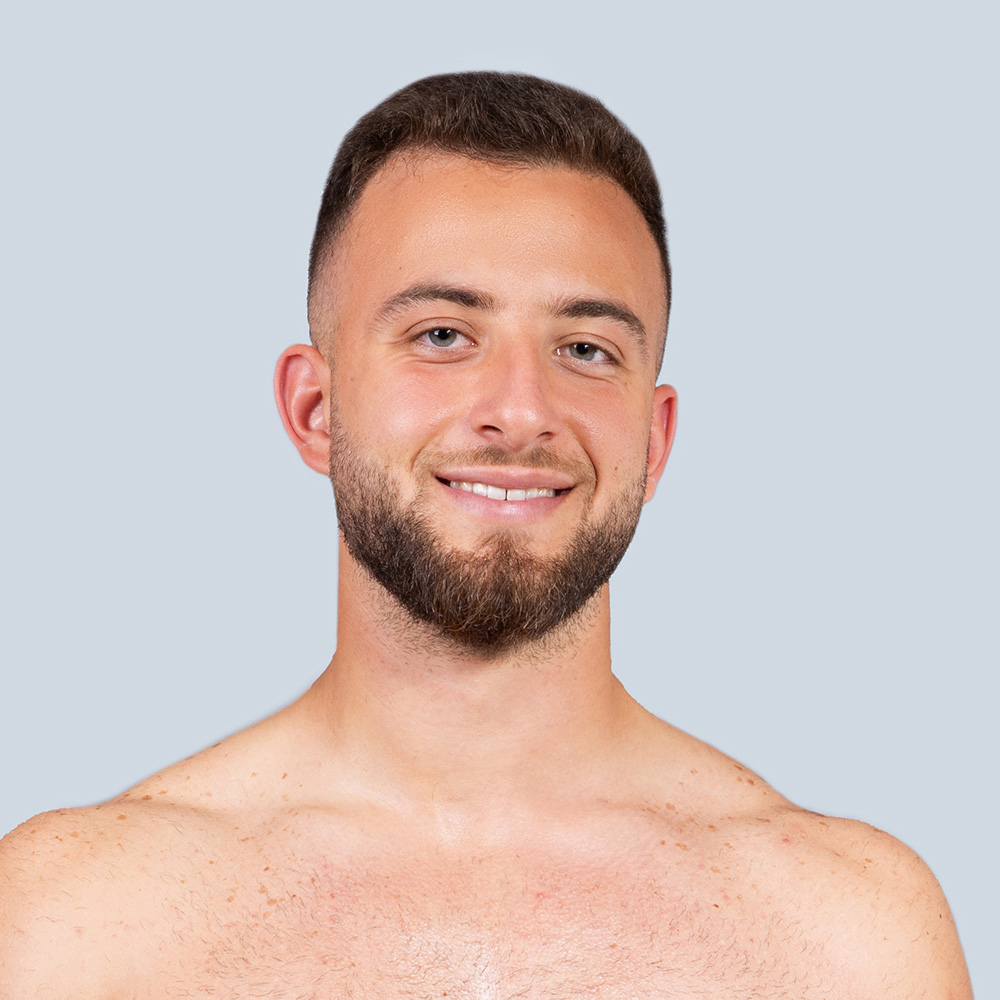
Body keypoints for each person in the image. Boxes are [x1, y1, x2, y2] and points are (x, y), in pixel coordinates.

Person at [0, 71, 971, 998]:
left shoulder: (850, 937)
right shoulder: (77, 918)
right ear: (313, 409)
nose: (521, 411)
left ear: (655, 439)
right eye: (442, 335)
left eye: (585, 349)